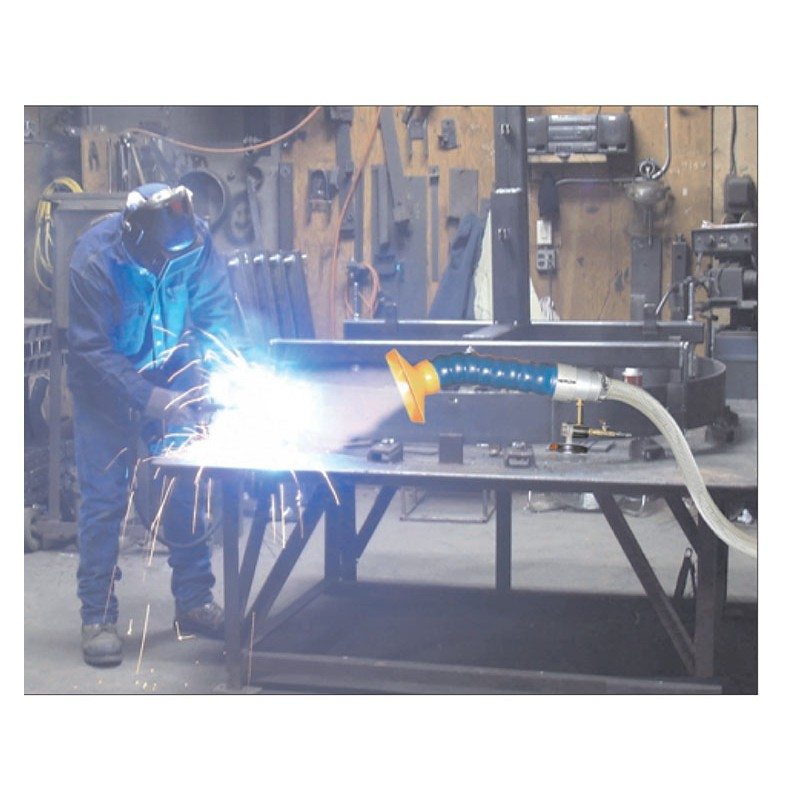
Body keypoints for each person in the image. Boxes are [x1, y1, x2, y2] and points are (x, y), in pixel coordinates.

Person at [67, 183, 240, 667]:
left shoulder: (195, 243)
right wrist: (149, 399)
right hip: (103, 385)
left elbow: (216, 316)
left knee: (185, 482)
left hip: (169, 368)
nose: (169, 265)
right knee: (104, 500)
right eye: (162, 258)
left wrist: (222, 376)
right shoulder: (94, 261)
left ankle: (194, 601)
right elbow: (91, 349)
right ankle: (98, 616)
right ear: (138, 242)